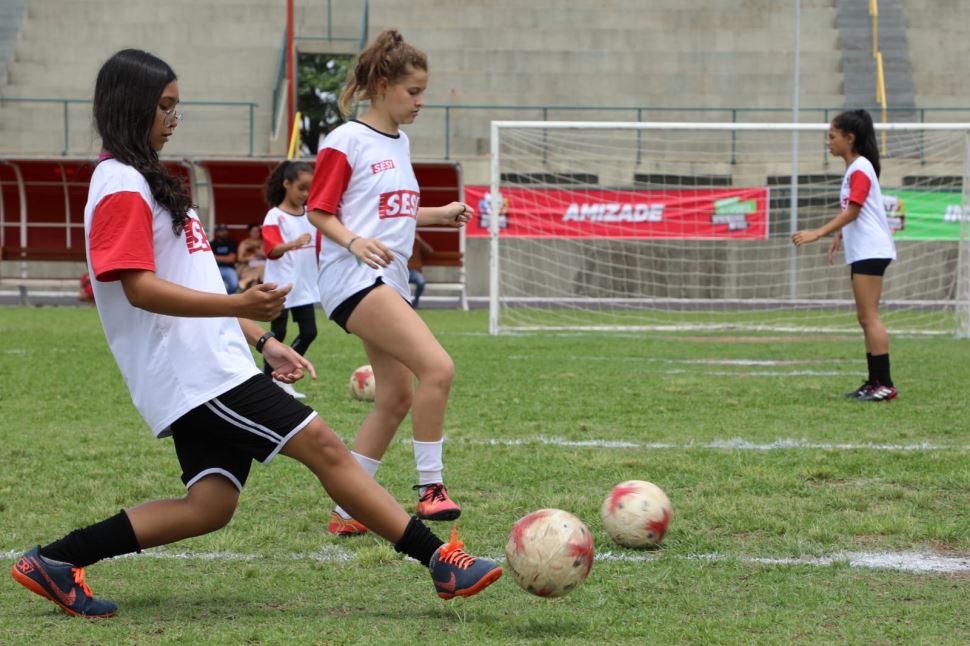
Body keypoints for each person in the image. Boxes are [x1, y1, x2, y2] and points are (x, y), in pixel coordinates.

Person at [10, 48, 501, 620]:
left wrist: (260, 336)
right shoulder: (118, 183)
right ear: (131, 107)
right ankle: (439, 559)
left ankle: (56, 560)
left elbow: (188, 283)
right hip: (196, 374)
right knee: (324, 447)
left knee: (210, 505)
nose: (173, 120)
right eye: (164, 108)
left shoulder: (146, 180)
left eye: (177, 109)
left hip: (213, 365)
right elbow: (139, 288)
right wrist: (239, 303)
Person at [306, 30, 474, 536]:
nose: (421, 101)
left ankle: (348, 512)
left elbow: (388, 213)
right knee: (438, 368)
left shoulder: (400, 142)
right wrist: (354, 242)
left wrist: (438, 213)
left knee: (397, 395)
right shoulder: (346, 140)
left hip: (385, 278)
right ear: (382, 85)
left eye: (423, 91)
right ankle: (430, 489)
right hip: (354, 276)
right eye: (413, 91)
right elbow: (319, 210)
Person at [792, 109, 897, 402]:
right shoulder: (856, 168)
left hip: (871, 250)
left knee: (869, 316)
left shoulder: (860, 167)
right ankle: (875, 381)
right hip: (865, 250)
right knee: (865, 317)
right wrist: (839, 235)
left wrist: (818, 233)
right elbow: (855, 211)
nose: (828, 142)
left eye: (832, 136)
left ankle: (884, 384)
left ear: (849, 139)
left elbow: (854, 209)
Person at [261, 161, 320, 400]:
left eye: (309, 189)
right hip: (280, 286)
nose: (305, 194)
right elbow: (272, 249)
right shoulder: (275, 216)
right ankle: (268, 383)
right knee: (278, 334)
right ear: (287, 184)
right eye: (301, 188)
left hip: (304, 287)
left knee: (309, 332)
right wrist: (295, 243)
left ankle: (282, 375)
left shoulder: (311, 216)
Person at [211, 223, 240, 293]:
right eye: (221, 231)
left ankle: (225, 297)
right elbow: (208, 260)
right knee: (211, 286)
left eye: (225, 230)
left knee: (234, 285)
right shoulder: (211, 244)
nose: (224, 233)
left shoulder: (231, 243)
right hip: (215, 269)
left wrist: (214, 257)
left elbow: (231, 259)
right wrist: (224, 258)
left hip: (229, 268)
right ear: (216, 232)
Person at [236, 223, 266, 291]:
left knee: (261, 269)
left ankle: (248, 280)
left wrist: (256, 250)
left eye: (257, 231)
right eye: (254, 231)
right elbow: (239, 258)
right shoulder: (244, 243)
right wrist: (248, 258)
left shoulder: (263, 243)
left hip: (261, 265)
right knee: (261, 270)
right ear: (249, 232)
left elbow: (267, 256)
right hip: (247, 266)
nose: (256, 233)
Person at [408, 233, 434, 308]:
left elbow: (429, 251)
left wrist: (420, 240)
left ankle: (415, 303)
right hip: (403, 270)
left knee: (421, 282)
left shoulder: (417, 243)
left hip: (414, 271)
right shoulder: (402, 242)